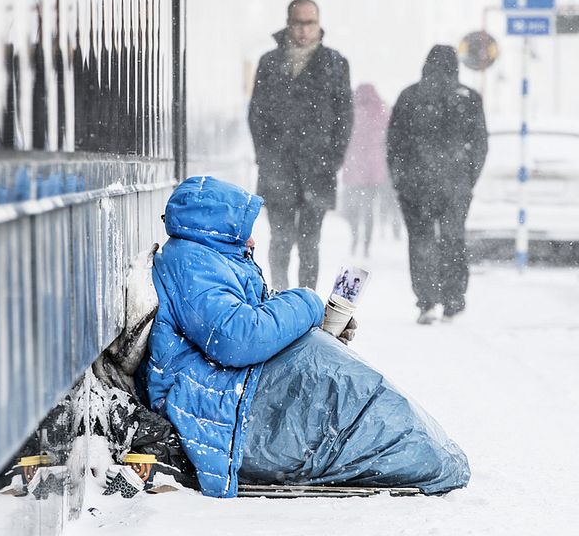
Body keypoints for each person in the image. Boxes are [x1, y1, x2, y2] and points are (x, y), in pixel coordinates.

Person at [143, 175, 470, 498]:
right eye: (242, 230)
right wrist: (308, 303)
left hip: (230, 383)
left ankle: (414, 451)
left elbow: (252, 313)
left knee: (341, 380)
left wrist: (315, 326)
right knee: (340, 391)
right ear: (213, 227)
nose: (252, 241)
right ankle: (416, 457)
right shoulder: (191, 263)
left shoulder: (211, 258)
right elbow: (236, 339)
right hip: (216, 396)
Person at [248, 0, 353, 290]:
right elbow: (256, 114)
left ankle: (305, 302)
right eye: (299, 23)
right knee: (280, 241)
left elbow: (344, 116)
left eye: (311, 23)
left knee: (310, 244)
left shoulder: (334, 63)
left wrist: (334, 159)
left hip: (318, 168)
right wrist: (265, 155)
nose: (305, 30)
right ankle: (280, 296)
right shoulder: (270, 63)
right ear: (288, 24)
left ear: (319, 24)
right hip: (278, 167)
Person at [386, 45, 488, 325]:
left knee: (420, 241)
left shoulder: (410, 96)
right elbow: (479, 146)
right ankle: (453, 301)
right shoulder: (468, 98)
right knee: (453, 240)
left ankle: (426, 302)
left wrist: (399, 179)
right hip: (454, 186)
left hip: (415, 185)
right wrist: (468, 180)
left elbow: (394, 144)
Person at [341, 84, 398, 256]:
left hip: (354, 169)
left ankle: (355, 236)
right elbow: (390, 139)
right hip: (374, 172)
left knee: (353, 208)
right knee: (368, 209)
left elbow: (342, 139)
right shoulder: (382, 113)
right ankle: (365, 244)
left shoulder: (350, 114)